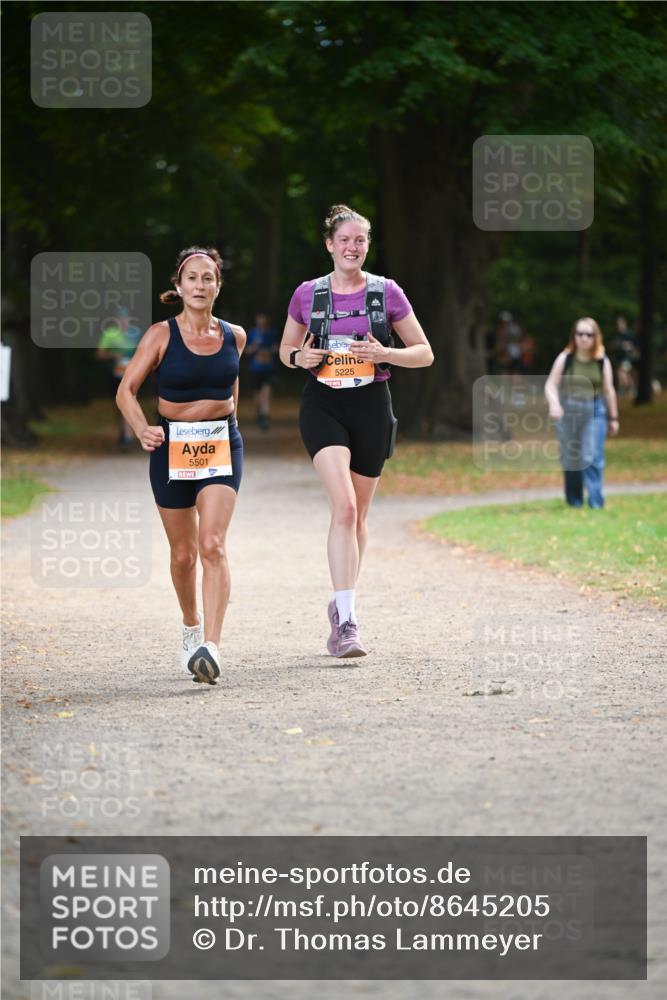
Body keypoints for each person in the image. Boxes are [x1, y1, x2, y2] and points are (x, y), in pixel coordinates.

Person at [279, 204, 434, 657]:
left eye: (360, 241)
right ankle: (348, 623)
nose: (352, 247)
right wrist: (298, 359)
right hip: (323, 404)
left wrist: (385, 353)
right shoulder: (308, 294)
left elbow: (423, 352)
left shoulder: (386, 293)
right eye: (344, 240)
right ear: (329, 244)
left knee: (360, 517)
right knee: (344, 509)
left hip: (371, 405)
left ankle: (340, 600)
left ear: (367, 246)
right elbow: (288, 350)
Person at [116, 246, 246, 684]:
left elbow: (233, 388)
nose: (200, 285)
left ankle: (211, 647)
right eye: (192, 277)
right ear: (179, 285)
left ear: (218, 286)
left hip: (221, 445)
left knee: (213, 545)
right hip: (171, 447)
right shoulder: (160, 335)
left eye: (208, 278)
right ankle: (191, 626)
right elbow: (126, 391)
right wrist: (142, 429)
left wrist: (231, 429)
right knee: (184, 553)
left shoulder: (236, 336)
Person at [544, 317, 619, 509]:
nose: (584, 338)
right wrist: (554, 405)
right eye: (580, 334)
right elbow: (551, 385)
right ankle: (574, 501)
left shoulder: (602, 360)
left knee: (591, 455)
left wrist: (613, 417)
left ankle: (596, 502)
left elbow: (609, 390)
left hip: (594, 409)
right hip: (568, 409)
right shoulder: (566, 358)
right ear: (574, 336)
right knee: (571, 457)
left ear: (596, 337)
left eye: (589, 334)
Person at [96, 306, 141, 448]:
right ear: (115, 321)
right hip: (116, 374)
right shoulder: (110, 334)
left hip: (133, 374)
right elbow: (100, 354)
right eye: (120, 319)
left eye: (125, 319)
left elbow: (144, 351)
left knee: (130, 400)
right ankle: (124, 432)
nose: (123, 322)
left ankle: (129, 435)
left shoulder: (135, 333)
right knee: (120, 405)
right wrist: (114, 354)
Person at [245, 312, 279, 430]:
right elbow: (247, 351)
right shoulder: (252, 333)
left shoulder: (272, 333)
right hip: (255, 368)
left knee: (267, 391)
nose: (262, 321)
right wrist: (254, 346)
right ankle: (259, 412)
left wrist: (273, 350)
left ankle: (264, 415)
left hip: (268, 367)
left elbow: (277, 348)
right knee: (258, 392)